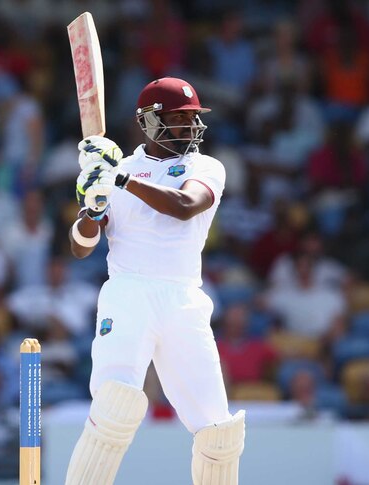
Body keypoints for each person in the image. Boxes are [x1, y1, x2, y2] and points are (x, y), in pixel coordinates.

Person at [64, 78, 245, 485]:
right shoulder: (116, 169)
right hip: (128, 293)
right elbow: (80, 247)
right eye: (179, 118)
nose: (190, 126)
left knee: (218, 429)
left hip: (184, 298)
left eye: (193, 118)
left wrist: (118, 181)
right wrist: (92, 210)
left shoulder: (206, 166)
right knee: (115, 406)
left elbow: (185, 206)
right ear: (149, 121)